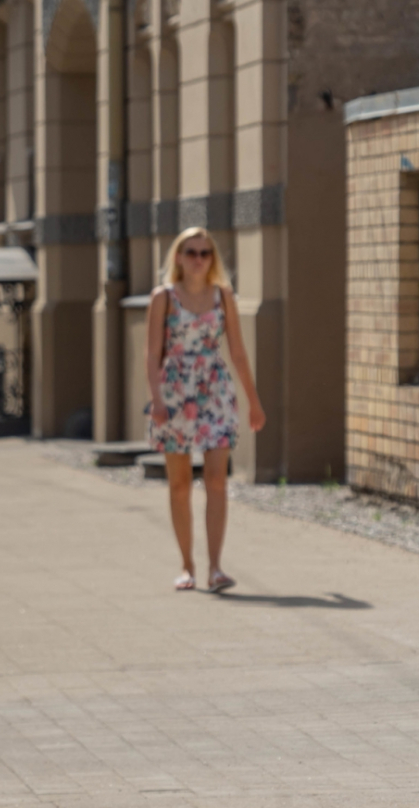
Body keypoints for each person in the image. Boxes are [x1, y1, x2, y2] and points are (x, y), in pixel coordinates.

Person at [145, 226, 266, 594]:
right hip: (176, 394)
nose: (199, 259)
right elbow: (151, 355)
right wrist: (157, 400)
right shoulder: (163, 298)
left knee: (216, 480)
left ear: (212, 259)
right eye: (191, 252)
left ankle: (215, 567)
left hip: (215, 392)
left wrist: (254, 401)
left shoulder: (223, 296)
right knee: (180, 484)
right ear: (178, 258)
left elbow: (239, 353)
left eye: (205, 253)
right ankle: (187, 566)